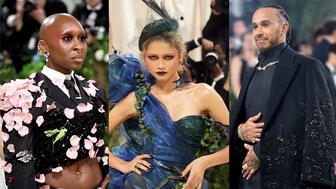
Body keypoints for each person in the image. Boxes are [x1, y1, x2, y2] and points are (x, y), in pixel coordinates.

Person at [108, 2, 229, 188]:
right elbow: (92, 139)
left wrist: (203, 162)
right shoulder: (137, 99)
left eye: (168, 57)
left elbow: (237, 143)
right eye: (153, 57)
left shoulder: (202, 93)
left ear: (180, 56)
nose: (161, 65)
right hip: (141, 183)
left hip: (189, 182)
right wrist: (123, 165)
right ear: (144, 59)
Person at [230, 5, 336, 189]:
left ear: (284, 28)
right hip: (248, 179)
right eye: (254, 27)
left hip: (289, 179)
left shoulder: (307, 68)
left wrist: (262, 151)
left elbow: (319, 125)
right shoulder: (250, 75)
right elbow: (238, 122)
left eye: (265, 25)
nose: (258, 32)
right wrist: (240, 131)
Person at [0, 13, 108, 188]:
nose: (78, 46)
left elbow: (99, 145)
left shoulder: (95, 92)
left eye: (82, 38)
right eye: (67, 38)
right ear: (43, 45)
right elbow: (21, 163)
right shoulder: (23, 96)